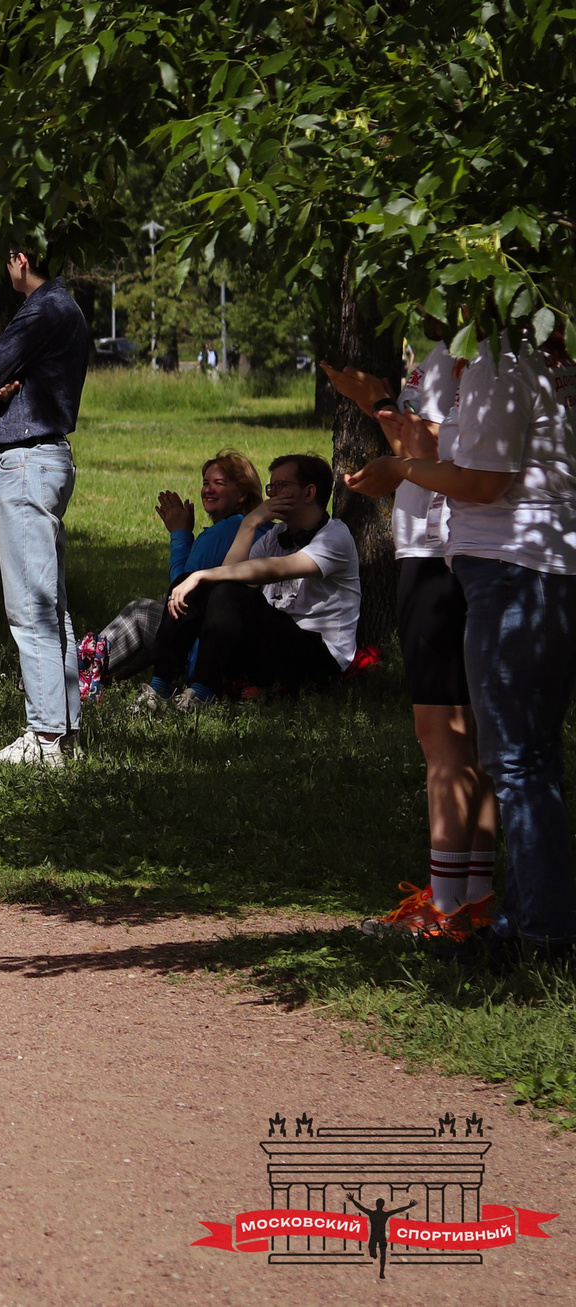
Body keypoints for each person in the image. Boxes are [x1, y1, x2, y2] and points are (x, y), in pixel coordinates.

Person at [346, 331, 575, 962]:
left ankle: (535, 934)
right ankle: (516, 921)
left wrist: (398, 461)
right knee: (526, 759)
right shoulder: (525, 352)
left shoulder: (501, 357)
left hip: (513, 568)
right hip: (525, 565)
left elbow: (482, 480)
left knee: (513, 761)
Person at [327, 351, 492, 938]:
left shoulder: (474, 350)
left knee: (444, 738)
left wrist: (380, 407)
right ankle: (473, 898)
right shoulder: (445, 347)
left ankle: (447, 912)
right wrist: (379, 403)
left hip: (440, 553)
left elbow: (439, 448)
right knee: (467, 739)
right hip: (440, 551)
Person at [0, 236, 95, 766]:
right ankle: (64, 733)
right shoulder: (68, 308)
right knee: (50, 605)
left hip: (27, 461)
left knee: (30, 606)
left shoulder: (41, 309)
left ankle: (45, 738)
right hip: (47, 459)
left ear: (20, 259)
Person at [154, 454, 362, 699]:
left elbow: (274, 569)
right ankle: (160, 687)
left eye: (280, 486)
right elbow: (228, 578)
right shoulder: (276, 534)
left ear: (309, 493)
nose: (271, 495)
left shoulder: (335, 537)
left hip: (319, 654)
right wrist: (250, 523)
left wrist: (203, 575)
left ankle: (202, 692)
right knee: (191, 584)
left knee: (218, 588)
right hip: (273, 644)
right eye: (270, 486)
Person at [124, 453, 260, 702]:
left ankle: (82, 667)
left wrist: (180, 533)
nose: (208, 490)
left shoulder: (220, 534)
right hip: (242, 642)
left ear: (242, 494)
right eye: (205, 483)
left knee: (138, 612)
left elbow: (181, 590)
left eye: (219, 483)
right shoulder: (265, 529)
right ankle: (102, 673)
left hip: (205, 646)